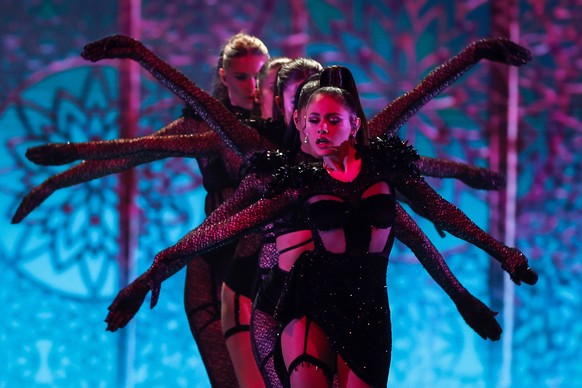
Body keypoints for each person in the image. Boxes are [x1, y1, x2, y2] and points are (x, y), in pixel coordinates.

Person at [104, 66, 536, 387]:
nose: (323, 129)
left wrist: (501, 259)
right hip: (297, 305)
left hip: (369, 313)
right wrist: (148, 276)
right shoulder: (295, 181)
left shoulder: (385, 171)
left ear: (356, 122)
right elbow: (217, 230)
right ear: (299, 124)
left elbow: (440, 219)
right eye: (313, 120)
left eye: (333, 119)